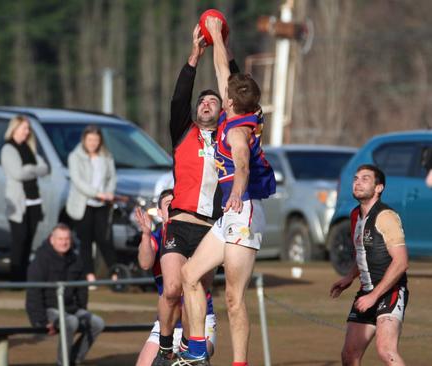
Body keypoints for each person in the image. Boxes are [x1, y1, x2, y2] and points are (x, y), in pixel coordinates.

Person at [177, 17, 276, 366]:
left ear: (230, 102)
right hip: (232, 214)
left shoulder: (236, 132)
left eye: (225, 94)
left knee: (234, 297)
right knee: (190, 275)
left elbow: (243, 163)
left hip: (244, 210)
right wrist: (216, 35)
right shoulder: (243, 112)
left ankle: (239, 363)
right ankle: (198, 344)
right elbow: (223, 68)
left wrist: (235, 191)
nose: (221, 94)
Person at [152, 23, 240, 366]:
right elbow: (178, 98)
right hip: (180, 222)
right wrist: (196, 55)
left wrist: (223, 47)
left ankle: (191, 353)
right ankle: (163, 346)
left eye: (213, 101)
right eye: (202, 101)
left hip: (210, 229)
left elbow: (236, 91)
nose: (206, 104)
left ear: (222, 111)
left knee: (197, 296)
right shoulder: (183, 132)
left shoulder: (226, 137)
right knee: (172, 288)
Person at [329, 164, 409, 366]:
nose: (357, 182)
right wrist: (349, 277)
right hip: (366, 292)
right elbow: (364, 255)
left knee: (386, 352)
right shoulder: (355, 215)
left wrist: (374, 296)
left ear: (379, 187)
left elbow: (401, 262)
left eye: (365, 179)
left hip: (390, 292)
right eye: (356, 178)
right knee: (349, 355)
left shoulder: (386, 217)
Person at [135, 190, 216, 366]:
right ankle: (166, 349)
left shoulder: (199, 235)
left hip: (199, 321)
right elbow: (145, 263)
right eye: (168, 206)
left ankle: (190, 346)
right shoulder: (158, 236)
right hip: (168, 322)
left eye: (176, 205)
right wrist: (146, 234)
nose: (173, 210)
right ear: (159, 212)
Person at [25, 224, 105, 366]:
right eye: (60, 239)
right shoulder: (40, 260)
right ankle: (63, 363)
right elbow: (33, 293)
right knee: (70, 322)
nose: (64, 242)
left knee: (98, 323)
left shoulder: (75, 259)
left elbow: (82, 290)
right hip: (50, 310)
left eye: (67, 239)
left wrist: (82, 309)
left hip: (71, 309)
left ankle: (74, 359)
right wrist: (40, 321)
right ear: (52, 240)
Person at [0, 115, 49, 281]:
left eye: (28, 129)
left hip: (34, 201)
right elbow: (18, 173)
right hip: (18, 203)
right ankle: (15, 278)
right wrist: (33, 169)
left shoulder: (31, 148)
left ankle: (24, 277)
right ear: (14, 129)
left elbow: (45, 168)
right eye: (24, 128)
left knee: (29, 240)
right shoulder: (8, 149)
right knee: (19, 240)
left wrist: (29, 168)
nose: (27, 132)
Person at [66, 125, 117, 283]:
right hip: (84, 205)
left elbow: (112, 177)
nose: (93, 143)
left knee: (104, 240)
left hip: (102, 205)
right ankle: (89, 275)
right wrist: (96, 194)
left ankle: (115, 274)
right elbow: (78, 181)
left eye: (96, 140)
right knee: (85, 241)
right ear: (84, 140)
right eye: (90, 140)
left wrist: (108, 193)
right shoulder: (75, 156)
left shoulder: (106, 156)